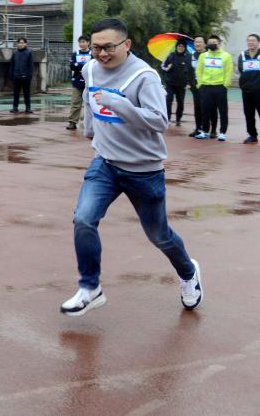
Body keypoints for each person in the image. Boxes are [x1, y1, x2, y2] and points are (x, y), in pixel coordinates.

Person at [61, 17, 202, 316]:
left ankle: (189, 272)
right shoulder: (90, 68)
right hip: (106, 163)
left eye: (108, 47)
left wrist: (120, 104)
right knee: (84, 218)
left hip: (144, 170)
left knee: (159, 236)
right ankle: (90, 287)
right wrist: (90, 129)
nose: (101, 54)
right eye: (96, 47)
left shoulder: (144, 76)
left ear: (126, 44)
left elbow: (159, 121)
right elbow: (89, 98)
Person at [195, 35, 233, 141]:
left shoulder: (226, 56)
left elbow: (229, 71)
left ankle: (222, 133)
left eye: (214, 42)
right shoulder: (203, 56)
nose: (211, 44)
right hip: (205, 86)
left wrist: (225, 85)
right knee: (205, 110)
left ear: (219, 43)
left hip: (220, 87)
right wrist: (200, 84)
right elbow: (199, 70)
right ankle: (205, 131)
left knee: (223, 111)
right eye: (209, 42)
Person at [237, 33, 260, 144]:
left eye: (253, 40)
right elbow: (241, 70)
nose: (250, 42)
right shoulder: (243, 55)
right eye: (249, 40)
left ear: (258, 42)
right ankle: (252, 135)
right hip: (247, 90)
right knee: (248, 114)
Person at [161, 41, 193, 126]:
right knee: (168, 100)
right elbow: (162, 66)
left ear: (185, 48)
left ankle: (178, 119)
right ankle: (167, 118)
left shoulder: (188, 57)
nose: (180, 47)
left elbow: (191, 70)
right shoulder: (170, 55)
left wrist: (188, 82)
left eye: (182, 46)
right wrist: (167, 68)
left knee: (180, 102)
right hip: (170, 83)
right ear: (176, 47)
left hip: (182, 84)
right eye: (179, 46)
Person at [66, 35, 92, 129]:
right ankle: (72, 122)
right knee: (75, 103)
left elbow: (93, 65)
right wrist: (85, 65)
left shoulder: (92, 53)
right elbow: (72, 66)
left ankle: (91, 123)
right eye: (80, 42)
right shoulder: (75, 53)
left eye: (84, 42)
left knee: (90, 104)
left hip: (89, 82)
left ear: (88, 42)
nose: (82, 44)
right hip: (77, 82)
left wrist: (79, 65)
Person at [8, 37, 34, 114]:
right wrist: (11, 75)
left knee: (27, 93)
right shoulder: (15, 53)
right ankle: (15, 108)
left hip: (25, 77)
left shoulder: (29, 53)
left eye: (22, 43)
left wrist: (29, 76)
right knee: (16, 93)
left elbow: (31, 66)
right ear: (17, 44)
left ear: (26, 44)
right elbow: (12, 65)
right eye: (19, 43)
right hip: (16, 76)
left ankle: (28, 108)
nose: (20, 44)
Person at [188, 36, 207, 138]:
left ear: (205, 44)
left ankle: (208, 129)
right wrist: (190, 83)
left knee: (207, 108)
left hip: (207, 85)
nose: (198, 44)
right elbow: (189, 70)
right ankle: (198, 128)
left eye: (200, 42)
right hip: (195, 86)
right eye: (196, 42)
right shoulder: (191, 56)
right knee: (197, 107)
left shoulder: (208, 55)